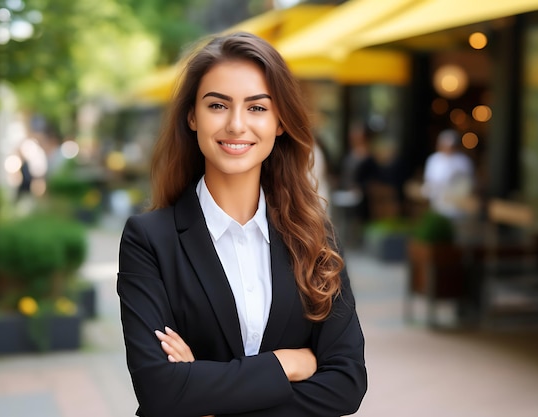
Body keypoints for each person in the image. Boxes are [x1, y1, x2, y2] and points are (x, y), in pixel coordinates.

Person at [117, 32, 367, 417]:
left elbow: (346, 385)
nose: (236, 125)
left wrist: (204, 393)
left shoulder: (317, 238)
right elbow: (159, 390)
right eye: (218, 105)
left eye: (257, 108)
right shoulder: (149, 240)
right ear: (192, 116)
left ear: (280, 122)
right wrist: (288, 364)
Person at [421, 129, 475, 220]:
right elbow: (429, 182)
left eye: (451, 146)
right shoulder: (434, 159)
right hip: (438, 205)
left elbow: (469, 184)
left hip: (458, 208)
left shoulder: (463, 161)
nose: (448, 148)